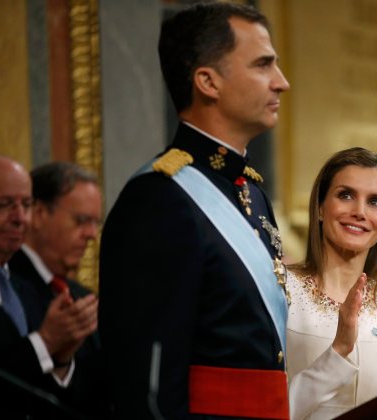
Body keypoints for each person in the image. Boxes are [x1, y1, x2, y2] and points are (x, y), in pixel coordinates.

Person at [99, 2, 290, 419]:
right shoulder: (159, 199)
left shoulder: (250, 192)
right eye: (263, 65)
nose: (282, 83)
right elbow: (144, 382)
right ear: (208, 81)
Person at [286, 147, 377, 419]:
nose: (359, 211)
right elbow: (273, 410)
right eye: (346, 195)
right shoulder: (283, 290)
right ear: (320, 207)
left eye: (375, 202)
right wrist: (339, 350)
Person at [0, 155, 97, 418]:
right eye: (4, 204)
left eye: (25, 204)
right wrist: (46, 341)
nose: (19, 218)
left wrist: (61, 358)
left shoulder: (19, 289)